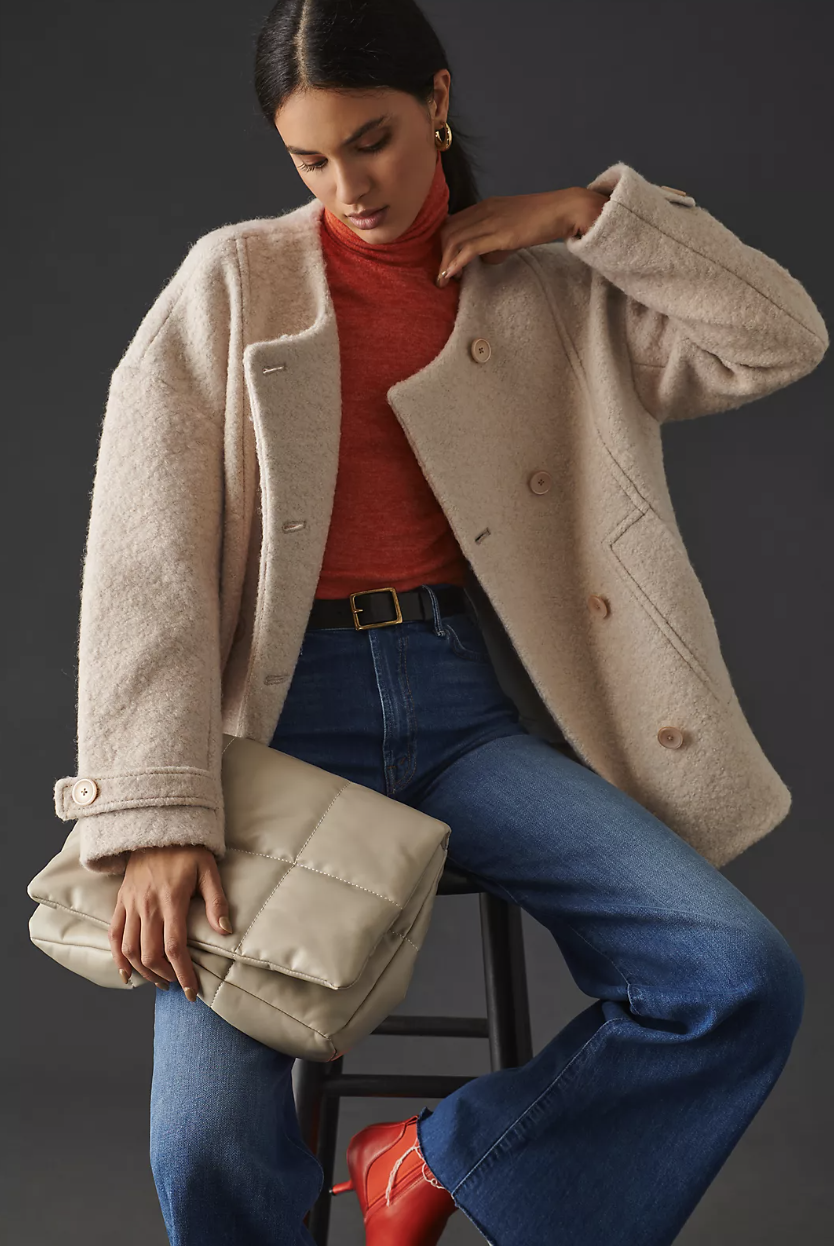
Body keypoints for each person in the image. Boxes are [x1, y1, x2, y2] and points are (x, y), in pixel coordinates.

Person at [54, 1, 828, 1243]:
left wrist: (590, 215)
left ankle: (437, 1156)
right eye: (311, 158)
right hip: (275, 730)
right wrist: (154, 812)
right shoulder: (234, 280)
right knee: (202, 1137)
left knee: (737, 979)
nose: (350, 186)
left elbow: (782, 337)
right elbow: (143, 562)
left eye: (374, 139)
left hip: (468, 714)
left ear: (439, 102)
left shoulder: (555, 292)